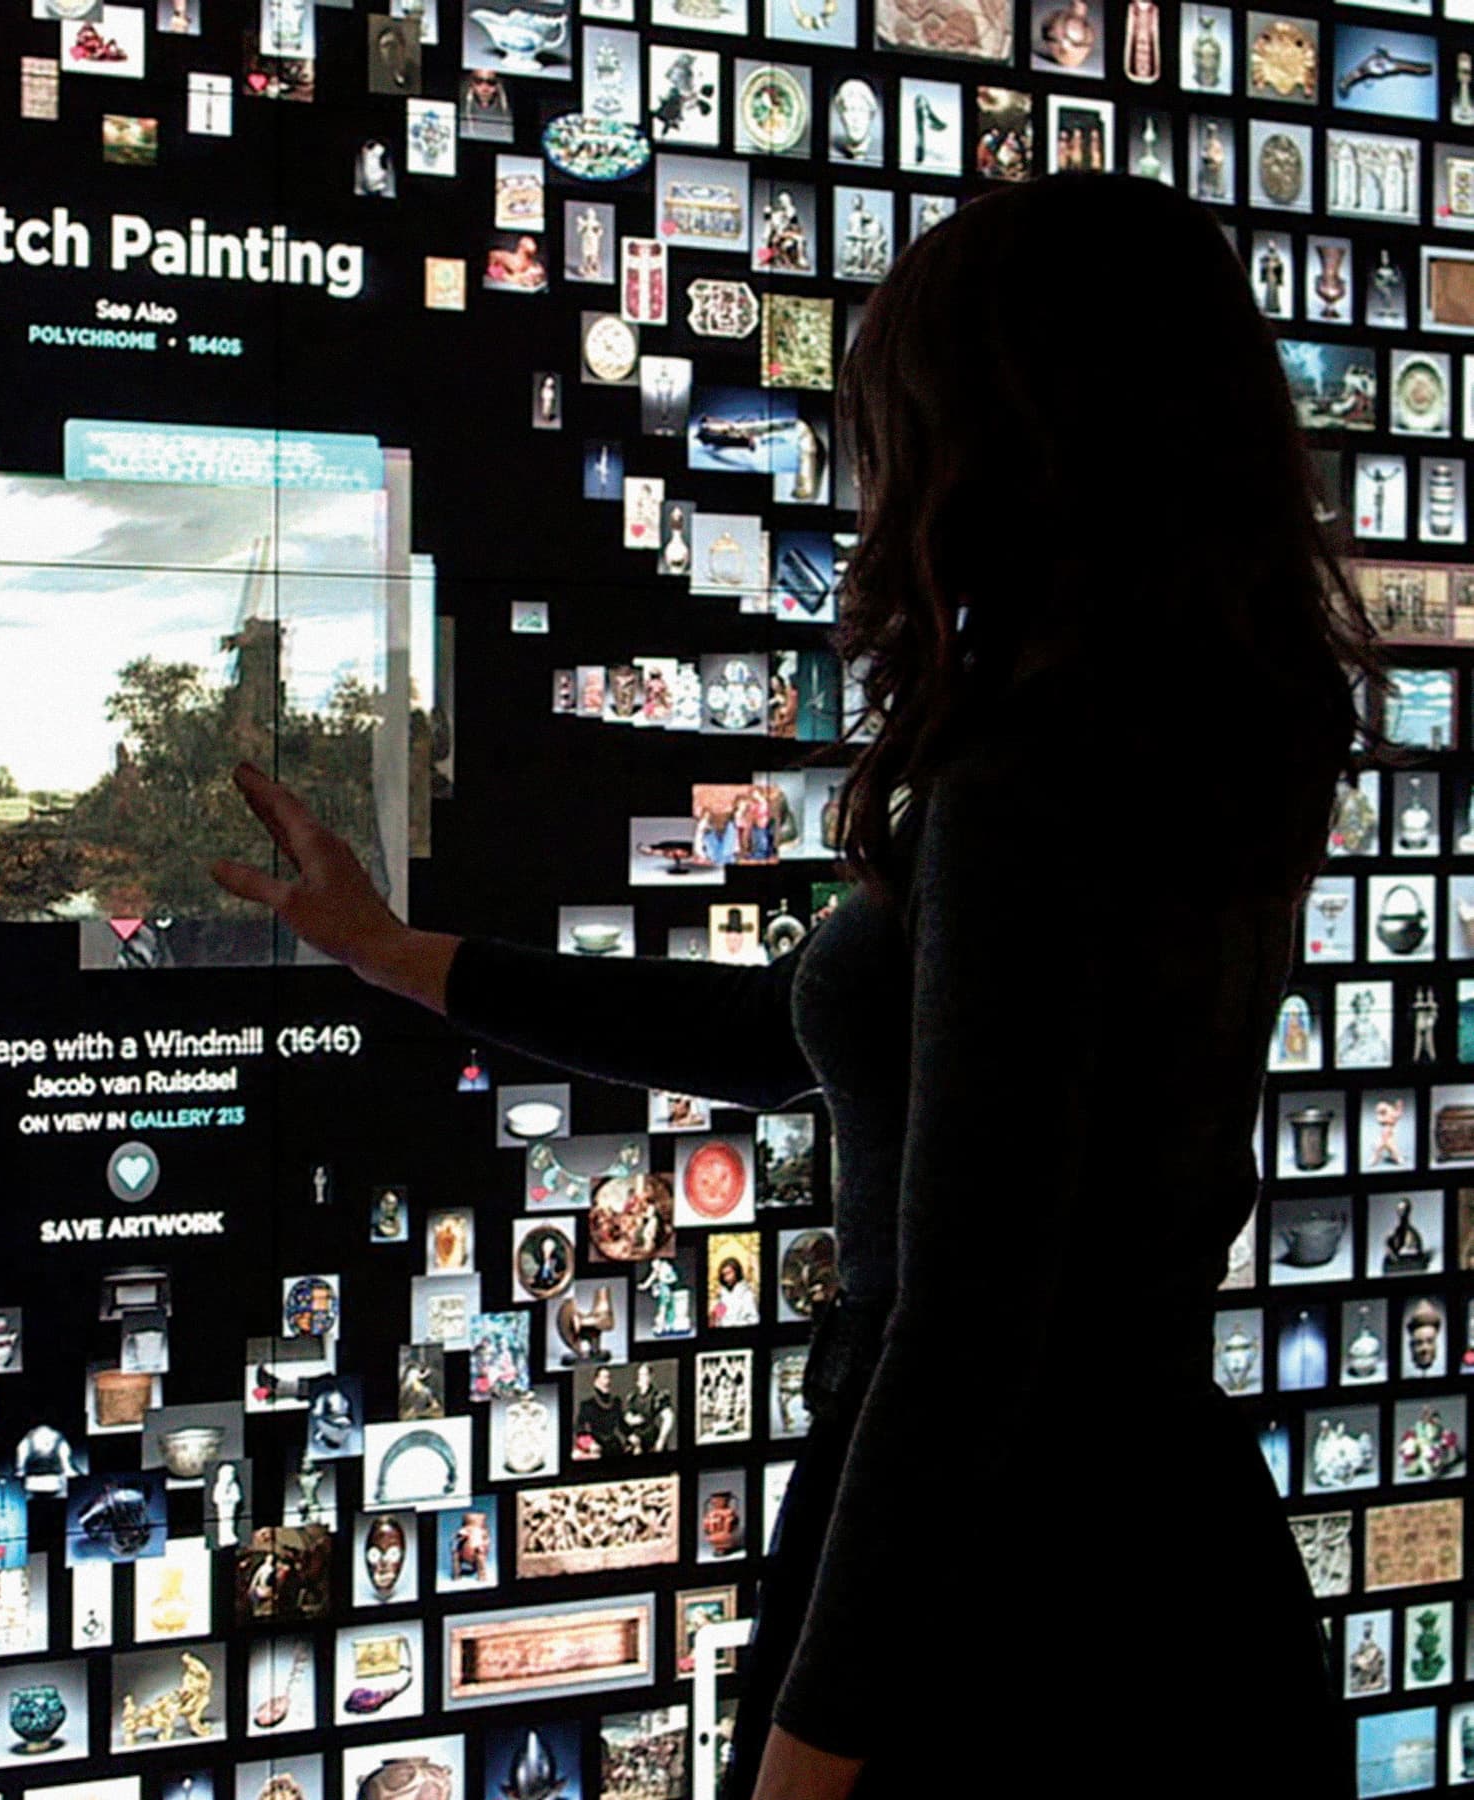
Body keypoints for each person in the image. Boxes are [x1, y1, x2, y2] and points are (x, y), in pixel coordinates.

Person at [207, 173, 1364, 1800]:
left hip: (1001, 1615)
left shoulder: (1026, 783)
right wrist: (401, 954)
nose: (876, 476)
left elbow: (966, 1334)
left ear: (1007, 438)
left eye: (897, 422)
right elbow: (805, 1040)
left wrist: (812, 1759)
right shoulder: (1217, 732)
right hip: (1170, 1561)